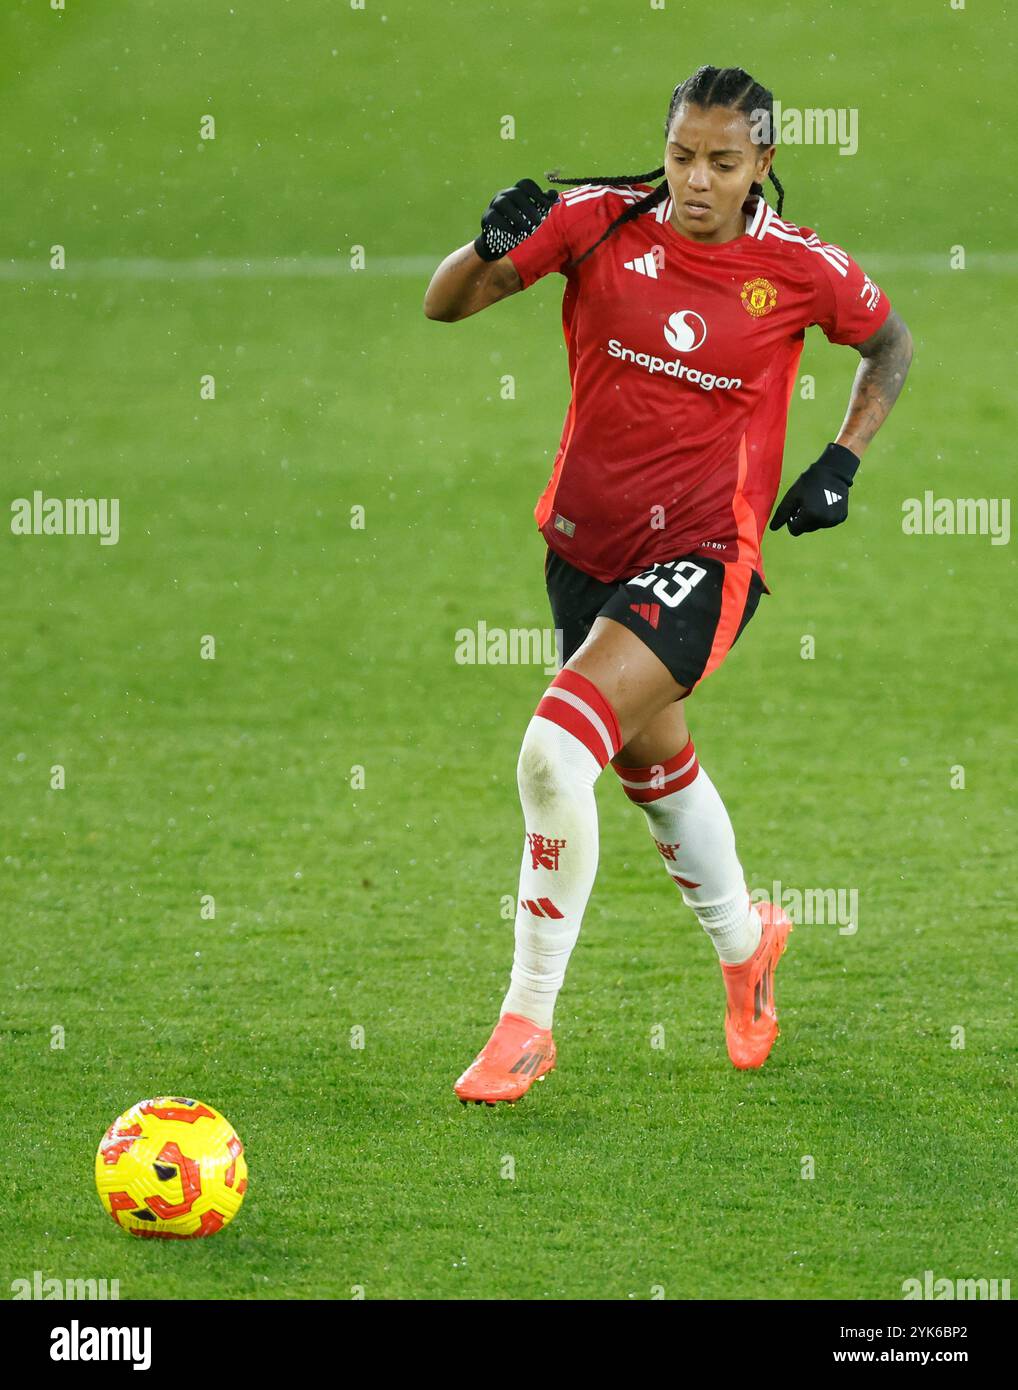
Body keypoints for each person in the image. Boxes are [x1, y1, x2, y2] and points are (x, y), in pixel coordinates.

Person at [424, 65, 913, 1105]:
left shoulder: (800, 269)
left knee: (555, 751)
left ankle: (526, 1020)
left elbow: (888, 344)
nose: (696, 180)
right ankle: (750, 946)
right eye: (683, 155)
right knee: (655, 766)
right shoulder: (598, 222)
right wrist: (490, 244)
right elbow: (444, 308)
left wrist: (842, 458)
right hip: (581, 550)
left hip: (705, 555)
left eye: (723, 163)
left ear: (762, 166)